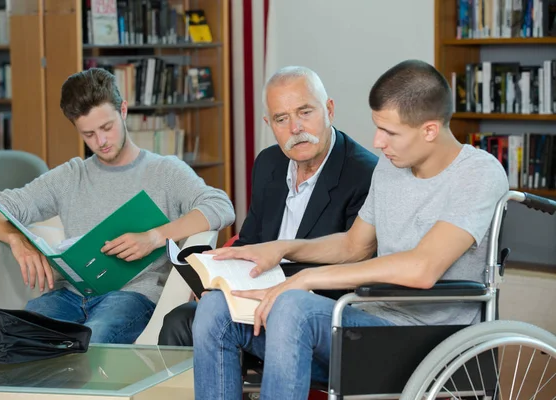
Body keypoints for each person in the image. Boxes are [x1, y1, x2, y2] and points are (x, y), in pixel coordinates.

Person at [192, 59, 509, 399]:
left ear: (429, 130)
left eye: (389, 132)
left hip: (427, 340)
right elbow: (353, 246)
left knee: (293, 306)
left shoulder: (478, 174)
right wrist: (284, 249)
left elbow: (422, 269)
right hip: (364, 327)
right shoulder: (390, 168)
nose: (377, 142)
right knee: (215, 309)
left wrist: (306, 278)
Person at [0, 68, 235, 344]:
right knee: (21, 337)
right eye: (89, 134)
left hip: (132, 297)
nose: (101, 142)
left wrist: (155, 236)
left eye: (106, 128)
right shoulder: (70, 176)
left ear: (123, 110)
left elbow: (220, 206)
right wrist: (17, 239)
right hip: (67, 296)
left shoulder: (165, 172)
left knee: (92, 340)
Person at [157, 66, 378, 347]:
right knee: (179, 321)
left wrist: (281, 291)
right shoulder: (269, 163)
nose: (295, 129)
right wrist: (216, 278)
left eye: (305, 112)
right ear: (269, 123)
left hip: (314, 303)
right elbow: (250, 240)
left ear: (329, 110)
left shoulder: (364, 173)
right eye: (281, 119)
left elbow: (355, 262)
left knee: (215, 320)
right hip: (254, 292)